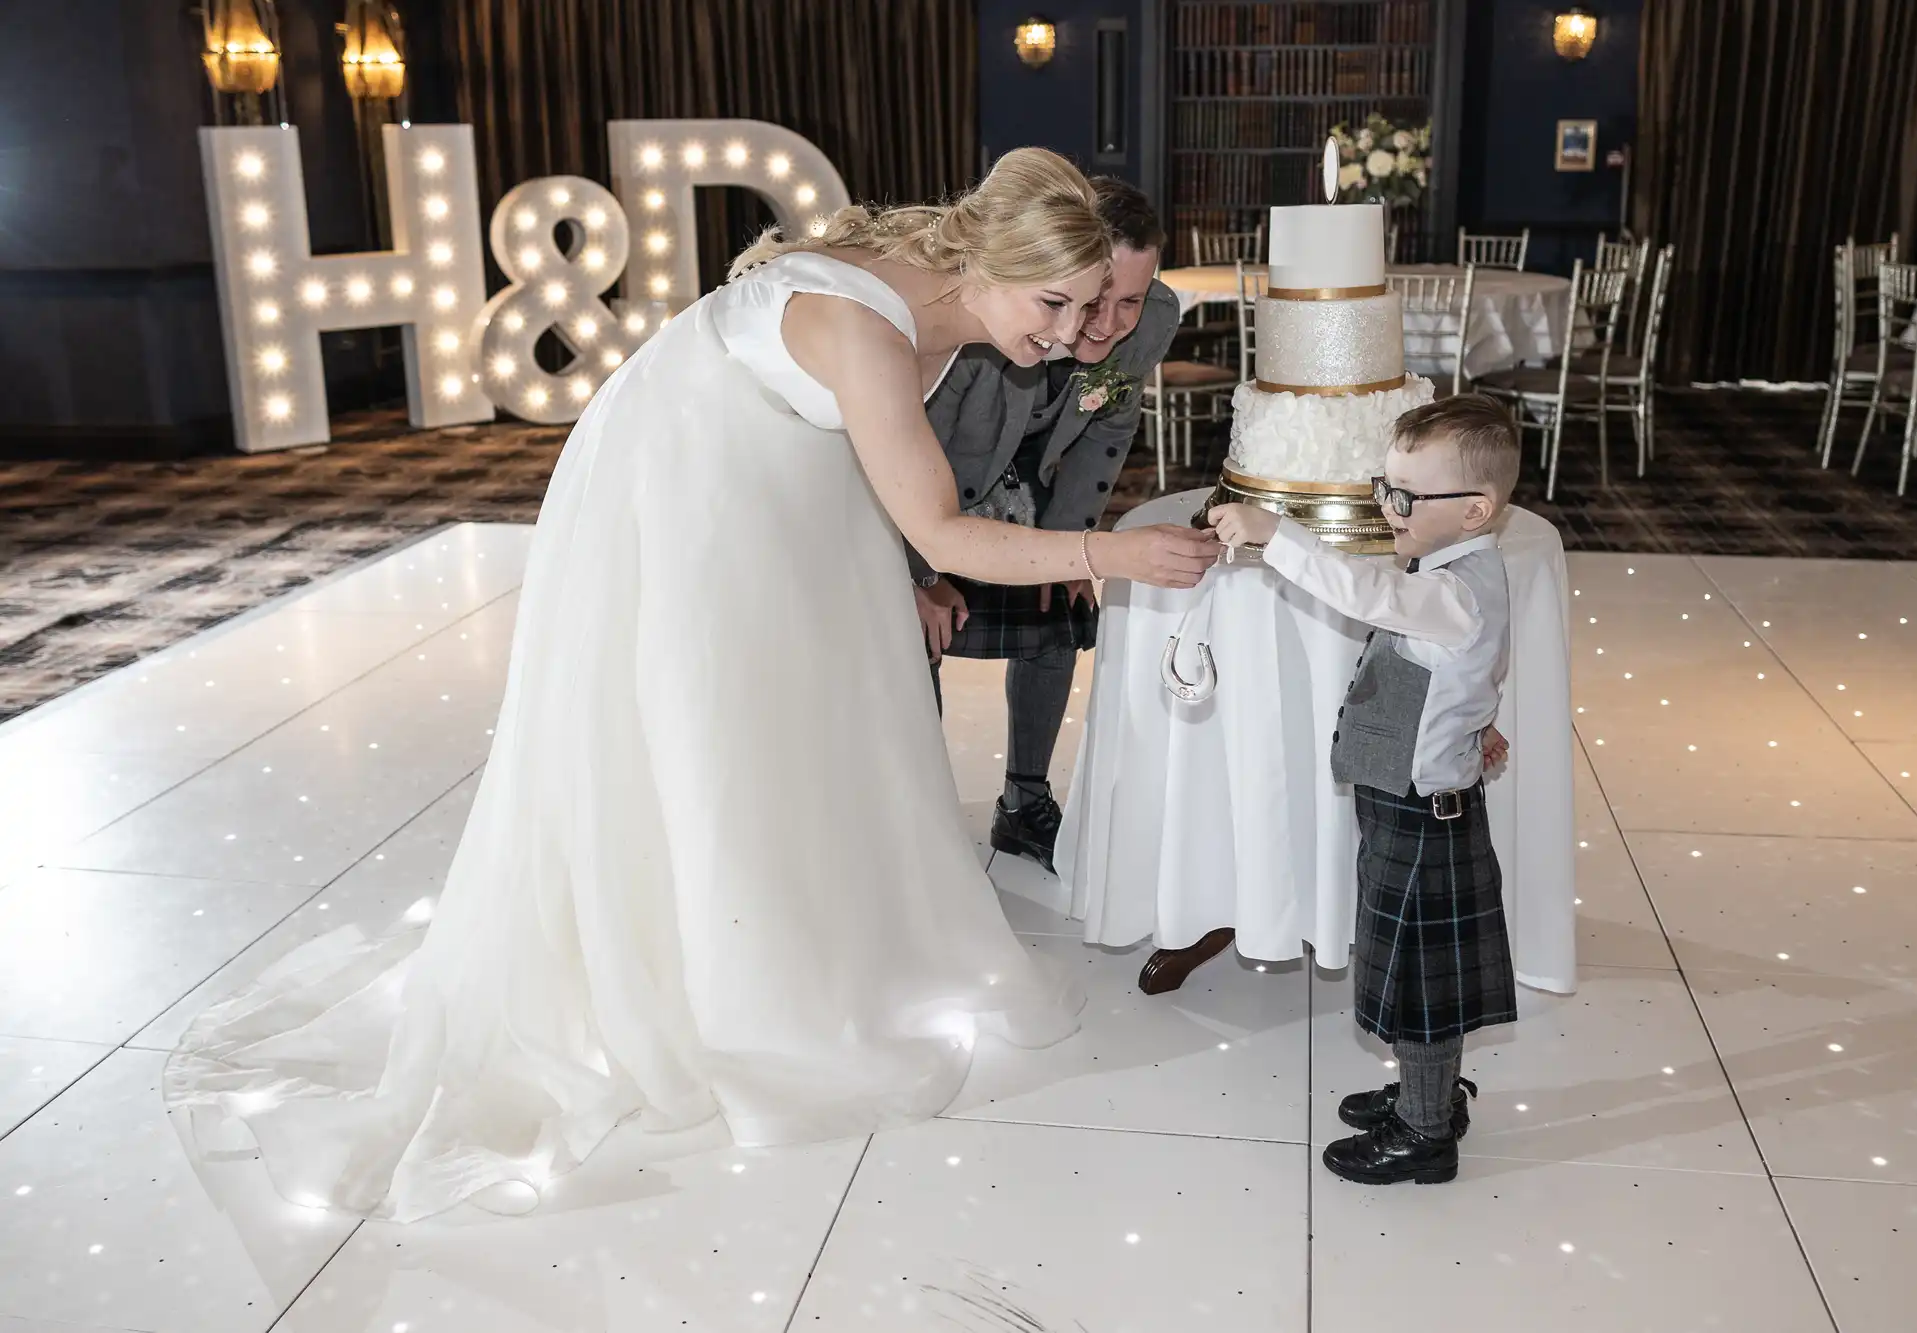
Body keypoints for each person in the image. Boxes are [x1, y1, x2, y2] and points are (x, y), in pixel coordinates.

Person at [164, 149, 1219, 1223]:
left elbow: (886, 467)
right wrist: (1110, 556)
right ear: (990, 260)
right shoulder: (861, 326)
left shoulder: (944, 276)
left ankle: (801, 936)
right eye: (1052, 305)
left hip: (785, 468)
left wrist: (912, 568)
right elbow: (940, 519)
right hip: (683, 475)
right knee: (717, 715)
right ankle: (707, 973)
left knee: (829, 705)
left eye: (1085, 309)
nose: (1060, 335)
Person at [1209, 394, 1522, 1186]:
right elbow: (1473, 666)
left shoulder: (1455, 589)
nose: (1388, 507)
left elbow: (1368, 596)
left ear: (1476, 510)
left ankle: (1424, 1132)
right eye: (1384, 486)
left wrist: (1280, 534)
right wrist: (1472, 722)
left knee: (1417, 982)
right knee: (1413, 969)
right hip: (1409, 803)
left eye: (1407, 496)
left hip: (1424, 816)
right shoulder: (1454, 570)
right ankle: (1429, 1096)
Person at [915, 178, 1178, 872]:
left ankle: (1023, 802)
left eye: (1131, 299)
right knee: (916, 631)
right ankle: (921, 814)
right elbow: (920, 440)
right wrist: (922, 575)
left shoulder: (1149, 322)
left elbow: (1109, 429)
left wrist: (1074, 553)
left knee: (1056, 612)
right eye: (1098, 298)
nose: (1109, 322)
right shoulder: (984, 316)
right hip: (937, 475)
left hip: (1037, 473)